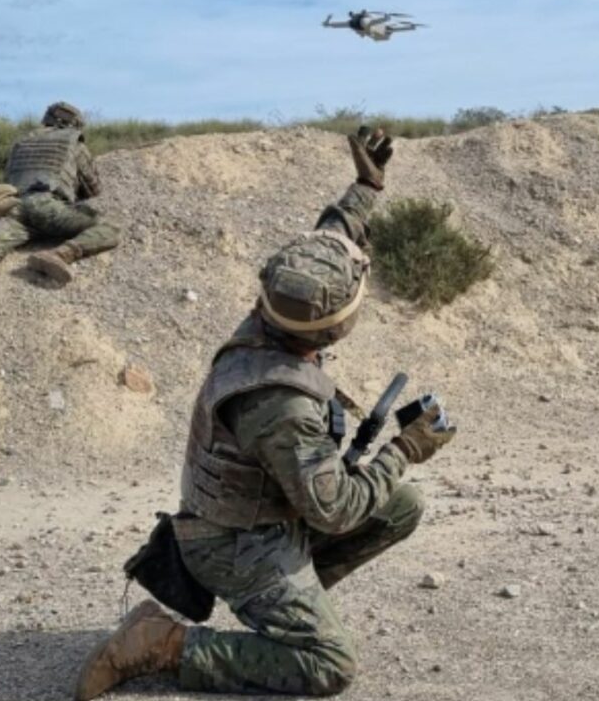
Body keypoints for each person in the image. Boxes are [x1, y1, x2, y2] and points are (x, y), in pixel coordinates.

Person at [75, 127, 456, 699]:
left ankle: (287, 608)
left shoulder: (277, 312)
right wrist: (406, 449)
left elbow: (328, 242)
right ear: (337, 325)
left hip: (263, 518)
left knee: (401, 506)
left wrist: (366, 187)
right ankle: (163, 643)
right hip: (233, 543)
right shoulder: (279, 403)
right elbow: (334, 509)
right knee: (330, 666)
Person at [0, 101, 120, 309]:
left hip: (13, 205)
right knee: (108, 227)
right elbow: (93, 189)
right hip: (45, 204)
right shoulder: (73, 143)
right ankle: (59, 255)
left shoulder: (21, 143)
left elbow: (8, 178)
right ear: (74, 124)